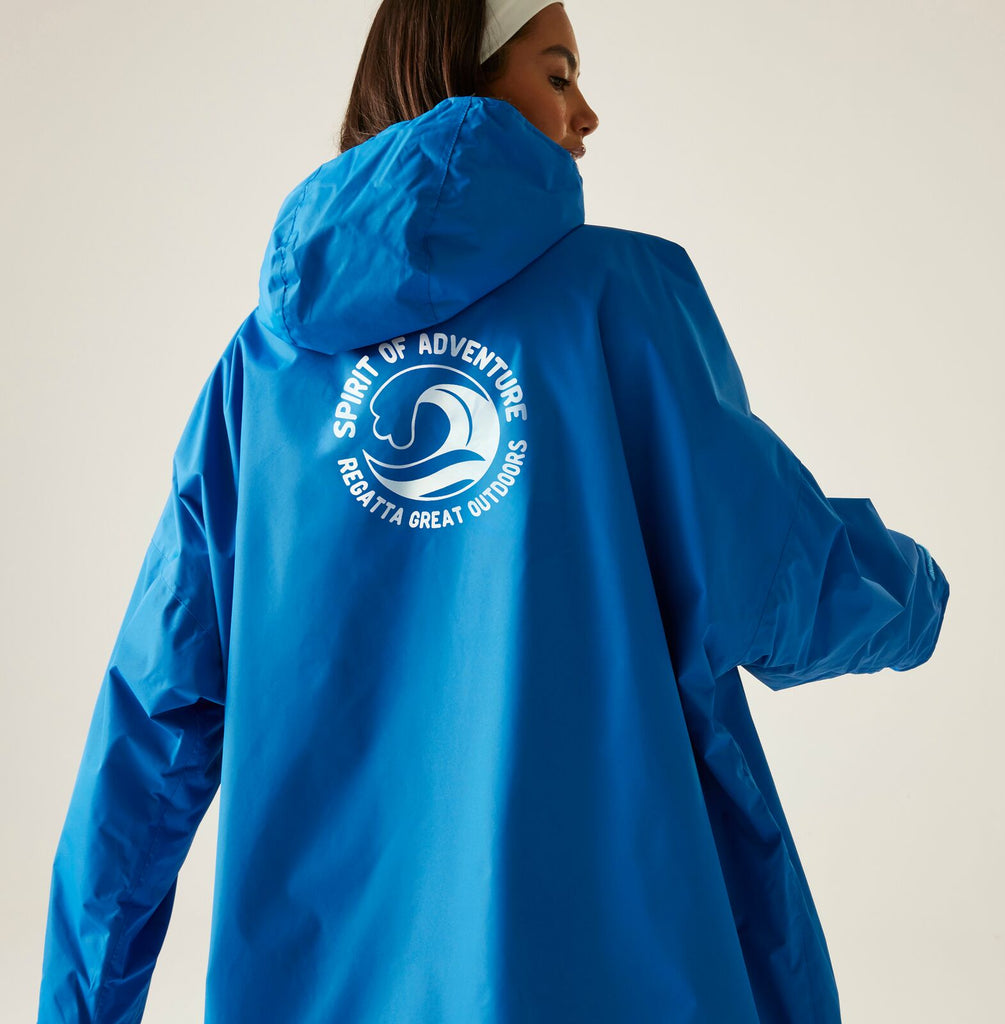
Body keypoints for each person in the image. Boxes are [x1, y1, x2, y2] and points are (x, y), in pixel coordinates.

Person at [35, 2, 950, 1022]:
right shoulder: (622, 300)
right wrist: (919, 589)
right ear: (459, 79)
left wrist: (80, 1006)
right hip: (619, 968)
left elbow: (153, 720)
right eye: (558, 74)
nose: (586, 113)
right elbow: (780, 585)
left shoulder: (263, 367)